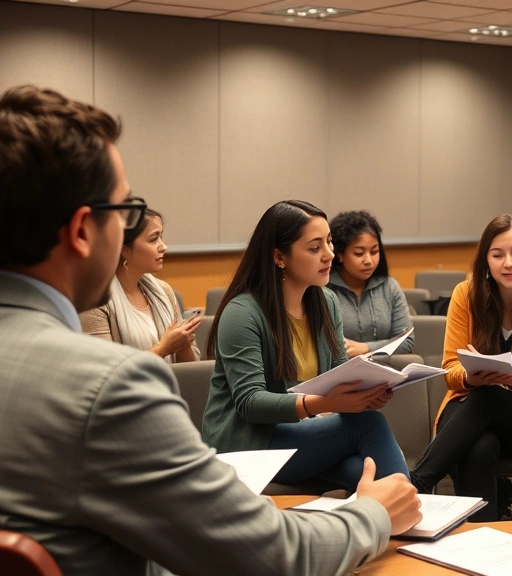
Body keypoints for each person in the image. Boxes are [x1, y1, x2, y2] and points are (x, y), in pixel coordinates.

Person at [0, 85, 420, 575]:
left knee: (360, 471)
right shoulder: (107, 388)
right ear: (80, 231)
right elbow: (267, 556)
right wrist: (371, 515)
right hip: (256, 456)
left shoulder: (321, 302)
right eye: (127, 212)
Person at [203, 200, 410, 491]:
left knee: (363, 472)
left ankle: (405, 518)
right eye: (315, 248)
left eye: (329, 242)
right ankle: (422, 515)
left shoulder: (326, 302)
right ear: (279, 257)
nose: (329, 255)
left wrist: (366, 393)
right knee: (369, 425)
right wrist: (325, 404)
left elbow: (341, 372)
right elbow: (251, 403)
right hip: (251, 444)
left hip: (302, 435)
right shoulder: (242, 313)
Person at [409, 214, 512, 521]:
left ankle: (417, 482)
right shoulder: (466, 295)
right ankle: (484, 531)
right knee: (480, 445)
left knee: (490, 397)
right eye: (497, 255)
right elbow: (450, 370)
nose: (508, 263)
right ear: (486, 259)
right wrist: (471, 378)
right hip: (469, 409)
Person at [80, 207, 201, 362]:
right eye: (153, 239)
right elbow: (105, 370)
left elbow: (192, 370)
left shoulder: (163, 291)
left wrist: (182, 344)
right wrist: (162, 350)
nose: (163, 246)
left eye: (161, 237)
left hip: (170, 385)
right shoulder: (93, 300)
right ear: (124, 250)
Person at [327, 210, 414, 357]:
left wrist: (366, 348)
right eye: (359, 253)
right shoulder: (324, 290)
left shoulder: (389, 287)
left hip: (386, 373)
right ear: (340, 255)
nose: (368, 260)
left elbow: (406, 342)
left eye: (374, 252)